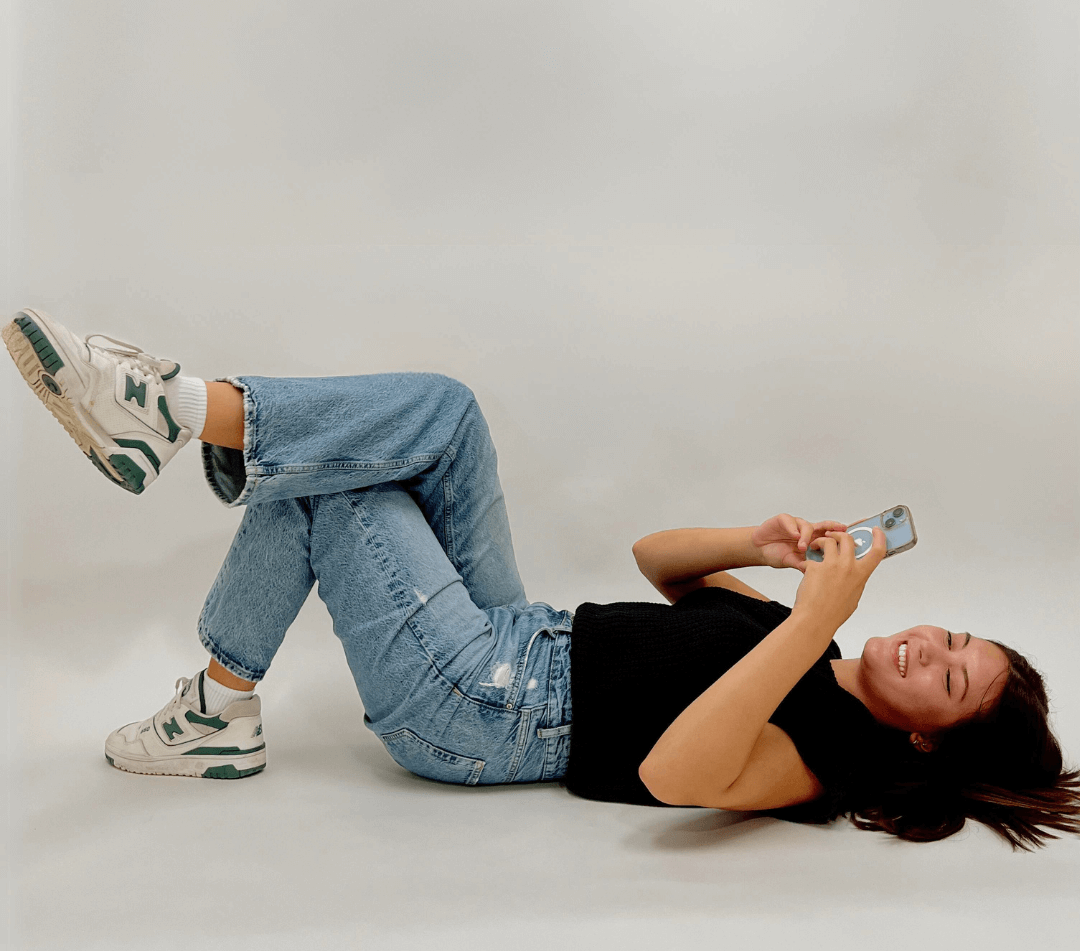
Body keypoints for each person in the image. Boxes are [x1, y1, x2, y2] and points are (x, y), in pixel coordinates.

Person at [6, 306, 1079, 850]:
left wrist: (805, 628)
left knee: (346, 486)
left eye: (945, 680)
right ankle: (190, 437)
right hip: (522, 630)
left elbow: (676, 776)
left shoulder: (822, 766)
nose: (924, 650)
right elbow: (656, 565)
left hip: (485, 708)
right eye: (948, 638)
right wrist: (759, 547)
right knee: (444, 413)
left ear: (929, 737)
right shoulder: (816, 638)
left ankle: (180, 423)